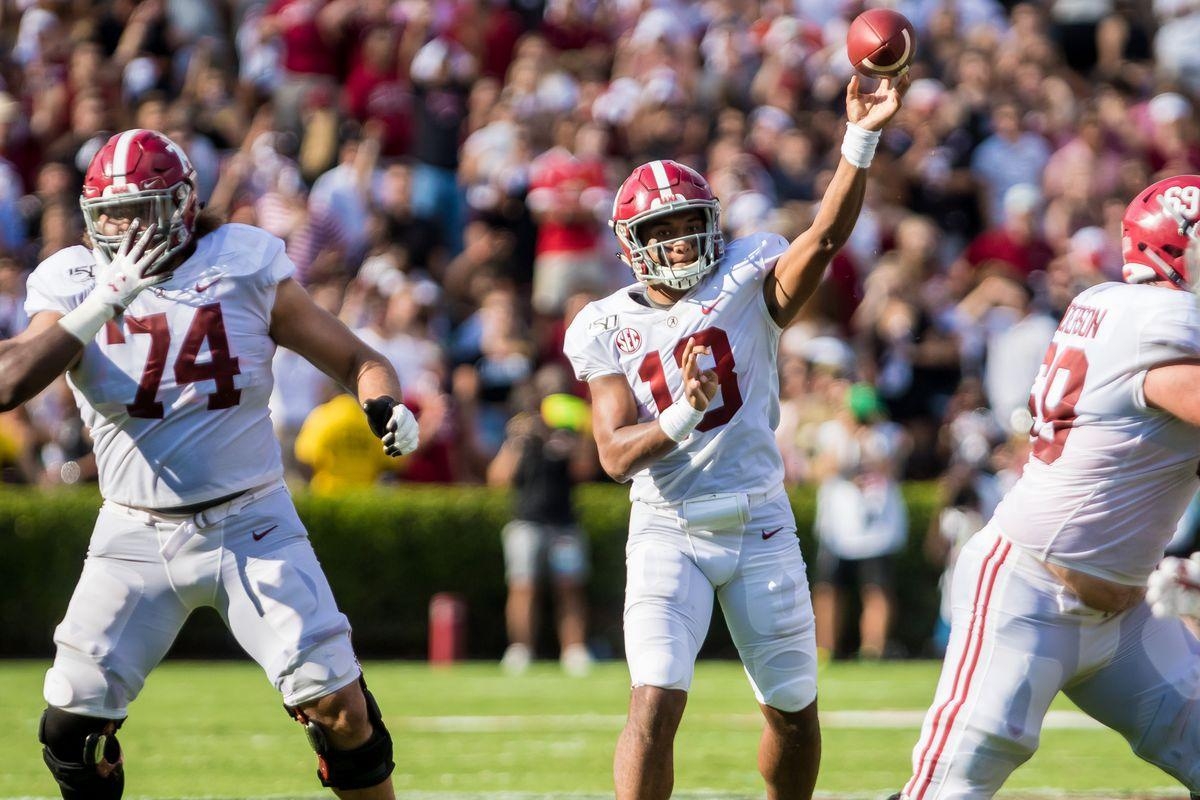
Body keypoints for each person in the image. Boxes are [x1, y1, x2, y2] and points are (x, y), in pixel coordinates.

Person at [0, 129, 420, 800]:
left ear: (182, 207)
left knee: (343, 713)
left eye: (138, 210)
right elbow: (7, 382)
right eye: (108, 212)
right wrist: (97, 305)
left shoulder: (245, 263)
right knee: (69, 734)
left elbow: (356, 359)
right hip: (132, 532)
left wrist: (383, 402)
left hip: (251, 523)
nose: (120, 227)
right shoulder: (76, 279)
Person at [563, 75, 907, 800]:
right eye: (658, 230)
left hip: (759, 520)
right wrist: (685, 411)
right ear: (631, 246)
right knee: (653, 702)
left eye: (686, 222)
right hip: (668, 526)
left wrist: (861, 138)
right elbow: (614, 454)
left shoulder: (748, 277)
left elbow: (825, 237)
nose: (677, 239)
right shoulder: (602, 325)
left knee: (793, 716)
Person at [889, 175, 1200, 800]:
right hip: (1029, 589)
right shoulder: (1162, 321)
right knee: (947, 792)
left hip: (1129, 614)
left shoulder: (1116, 305)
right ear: (1173, 248)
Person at [487, 364, 597, 676]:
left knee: (570, 587)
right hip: (526, 521)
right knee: (523, 587)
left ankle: (574, 650)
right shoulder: (522, 431)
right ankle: (521, 649)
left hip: (564, 522)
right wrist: (516, 441)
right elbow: (497, 479)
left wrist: (579, 438)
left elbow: (585, 471)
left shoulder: (571, 429)